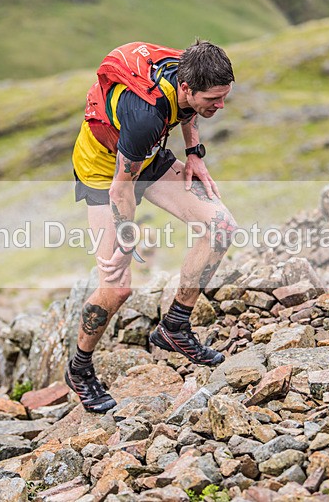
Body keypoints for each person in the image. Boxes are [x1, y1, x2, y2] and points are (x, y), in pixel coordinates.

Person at [66, 40, 238, 413]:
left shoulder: (187, 69)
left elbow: (188, 111)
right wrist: (127, 239)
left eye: (224, 97)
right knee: (116, 287)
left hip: (145, 157)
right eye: (215, 98)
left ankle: (174, 327)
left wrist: (194, 153)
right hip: (103, 171)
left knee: (221, 227)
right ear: (188, 88)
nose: (221, 105)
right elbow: (120, 188)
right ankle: (79, 369)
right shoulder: (146, 115)